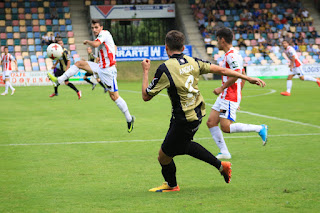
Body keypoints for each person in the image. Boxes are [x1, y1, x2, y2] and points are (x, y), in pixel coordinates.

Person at [141, 30, 266, 192]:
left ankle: (174, 185)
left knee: (163, 156)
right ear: (183, 47)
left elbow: (146, 96)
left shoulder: (165, 68)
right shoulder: (193, 61)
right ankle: (220, 166)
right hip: (197, 112)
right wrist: (248, 78)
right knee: (183, 147)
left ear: (166, 48)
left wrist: (145, 70)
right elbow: (221, 70)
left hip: (183, 118)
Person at [47, 19, 135, 133]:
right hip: (100, 67)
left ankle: (129, 119)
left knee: (114, 97)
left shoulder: (104, 34)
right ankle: (59, 80)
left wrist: (87, 41)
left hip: (108, 71)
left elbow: (96, 44)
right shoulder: (105, 35)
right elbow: (113, 46)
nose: (94, 30)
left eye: (96, 27)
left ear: (101, 27)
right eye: (93, 28)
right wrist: (109, 55)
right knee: (79, 63)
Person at [206, 28, 268, 160]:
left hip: (228, 95)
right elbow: (242, 74)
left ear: (222, 40)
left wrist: (222, 88)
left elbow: (237, 74)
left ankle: (259, 128)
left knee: (226, 127)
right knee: (211, 122)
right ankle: (225, 152)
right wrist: (238, 96)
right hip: (227, 96)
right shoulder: (233, 54)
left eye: (217, 40)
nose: (217, 43)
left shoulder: (231, 56)